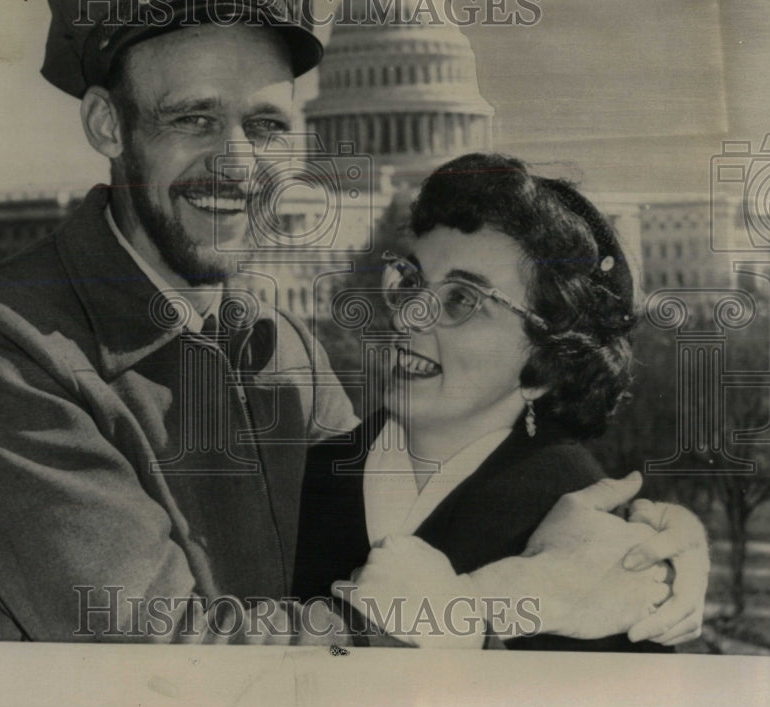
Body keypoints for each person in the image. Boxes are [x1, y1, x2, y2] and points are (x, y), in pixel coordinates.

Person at [0, 0, 708, 646]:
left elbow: (421, 515)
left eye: (267, 124)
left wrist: (647, 542)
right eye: (193, 117)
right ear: (106, 125)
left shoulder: (283, 355)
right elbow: (166, 665)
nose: (237, 166)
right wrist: (488, 602)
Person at [296, 153, 707, 649]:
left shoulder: (606, 549)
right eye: (410, 281)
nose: (408, 317)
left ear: (545, 364)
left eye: (462, 299)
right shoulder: (300, 476)